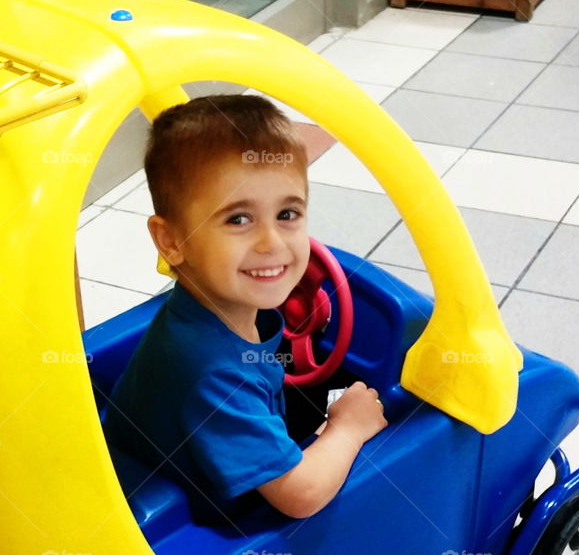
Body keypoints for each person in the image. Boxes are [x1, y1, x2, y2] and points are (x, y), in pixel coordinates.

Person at [104, 94, 387, 521]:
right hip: (208, 524)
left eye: (288, 213)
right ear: (171, 241)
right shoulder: (216, 375)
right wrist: (348, 428)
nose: (271, 243)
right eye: (238, 219)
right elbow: (301, 495)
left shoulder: (201, 310)